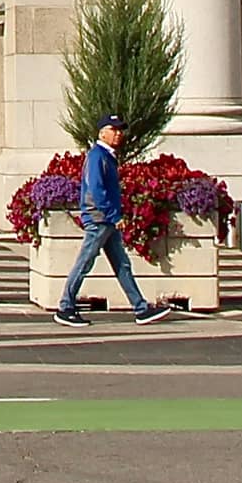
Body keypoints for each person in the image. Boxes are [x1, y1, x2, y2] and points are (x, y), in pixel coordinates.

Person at [53, 113, 177, 326]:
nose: (119, 134)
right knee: (85, 262)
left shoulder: (107, 156)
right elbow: (96, 190)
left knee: (122, 265)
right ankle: (66, 307)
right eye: (114, 130)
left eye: (120, 130)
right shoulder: (97, 156)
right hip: (99, 219)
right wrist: (113, 215)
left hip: (106, 221)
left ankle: (141, 308)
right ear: (102, 133)